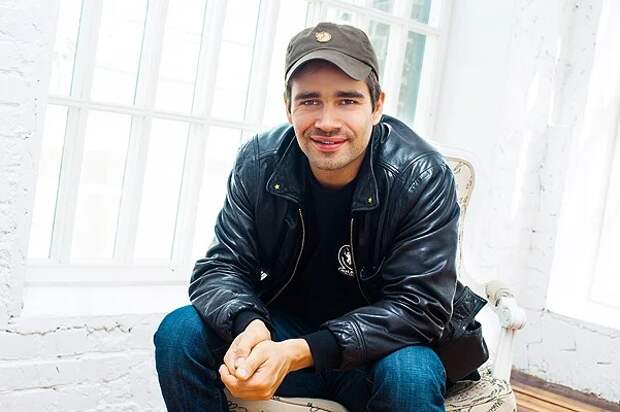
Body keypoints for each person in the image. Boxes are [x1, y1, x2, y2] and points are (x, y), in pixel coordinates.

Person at [154, 22, 488, 412]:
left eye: (347, 100)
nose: (327, 122)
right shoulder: (259, 162)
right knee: (180, 333)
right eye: (310, 101)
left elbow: (420, 306)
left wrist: (303, 351)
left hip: (385, 352)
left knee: (409, 375)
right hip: (289, 332)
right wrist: (249, 325)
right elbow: (221, 267)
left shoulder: (420, 175)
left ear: (377, 105)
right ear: (288, 106)